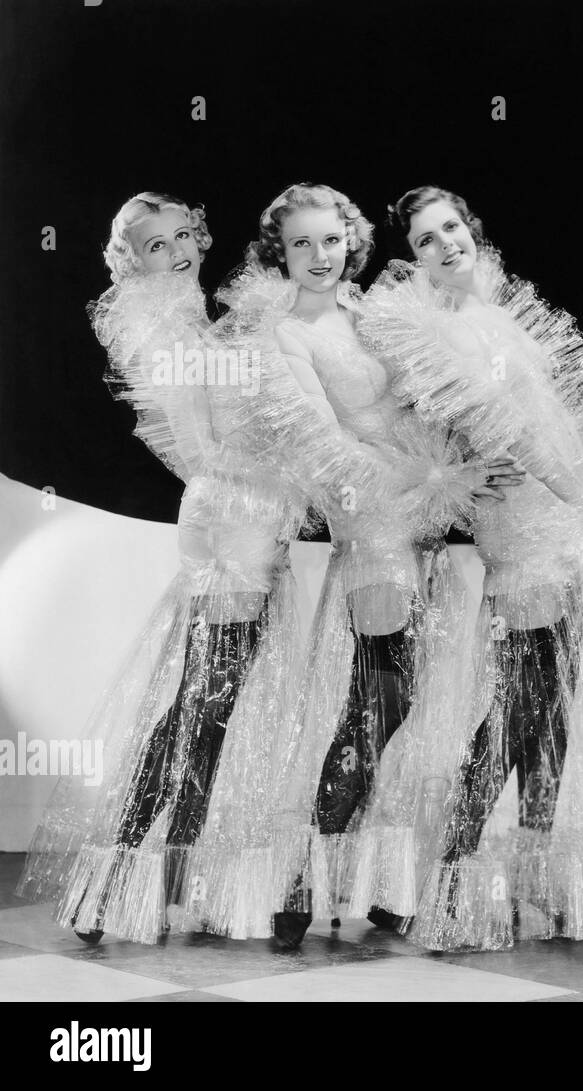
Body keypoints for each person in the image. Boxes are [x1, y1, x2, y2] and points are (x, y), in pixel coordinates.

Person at [20, 192, 303, 944]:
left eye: (184, 235)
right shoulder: (160, 330)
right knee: (196, 714)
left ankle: (156, 887)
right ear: (132, 260)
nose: (178, 251)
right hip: (228, 525)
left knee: (204, 715)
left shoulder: (193, 322)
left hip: (245, 522)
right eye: (156, 244)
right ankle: (109, 886)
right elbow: (203, 451)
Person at [215, 183, 486, 949]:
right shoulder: (283, 337)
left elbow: (427, 404)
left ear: (351, 239)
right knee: (381, 704)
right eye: (301, 243)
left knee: (402, 703)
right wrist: (412, 479)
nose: (319, 255)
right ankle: (303, 878)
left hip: (422, 525)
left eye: (330, 239)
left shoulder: (369, 311)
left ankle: (371, 886)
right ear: (279, 251)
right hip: (371, 525)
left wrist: (453, 464)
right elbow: (322, 448)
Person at [360, 185, 583, 950]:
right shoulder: (440, 334)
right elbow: (511, 433)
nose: (445, 245)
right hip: (528, 531)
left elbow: (561, 423)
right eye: (425, 241)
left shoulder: (498, 315)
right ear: (414, 262)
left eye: (452, 228)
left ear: (473, 229)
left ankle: (538, 883)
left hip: (567, 529)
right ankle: (449, 877)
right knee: (516, 715)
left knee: (554, 717)